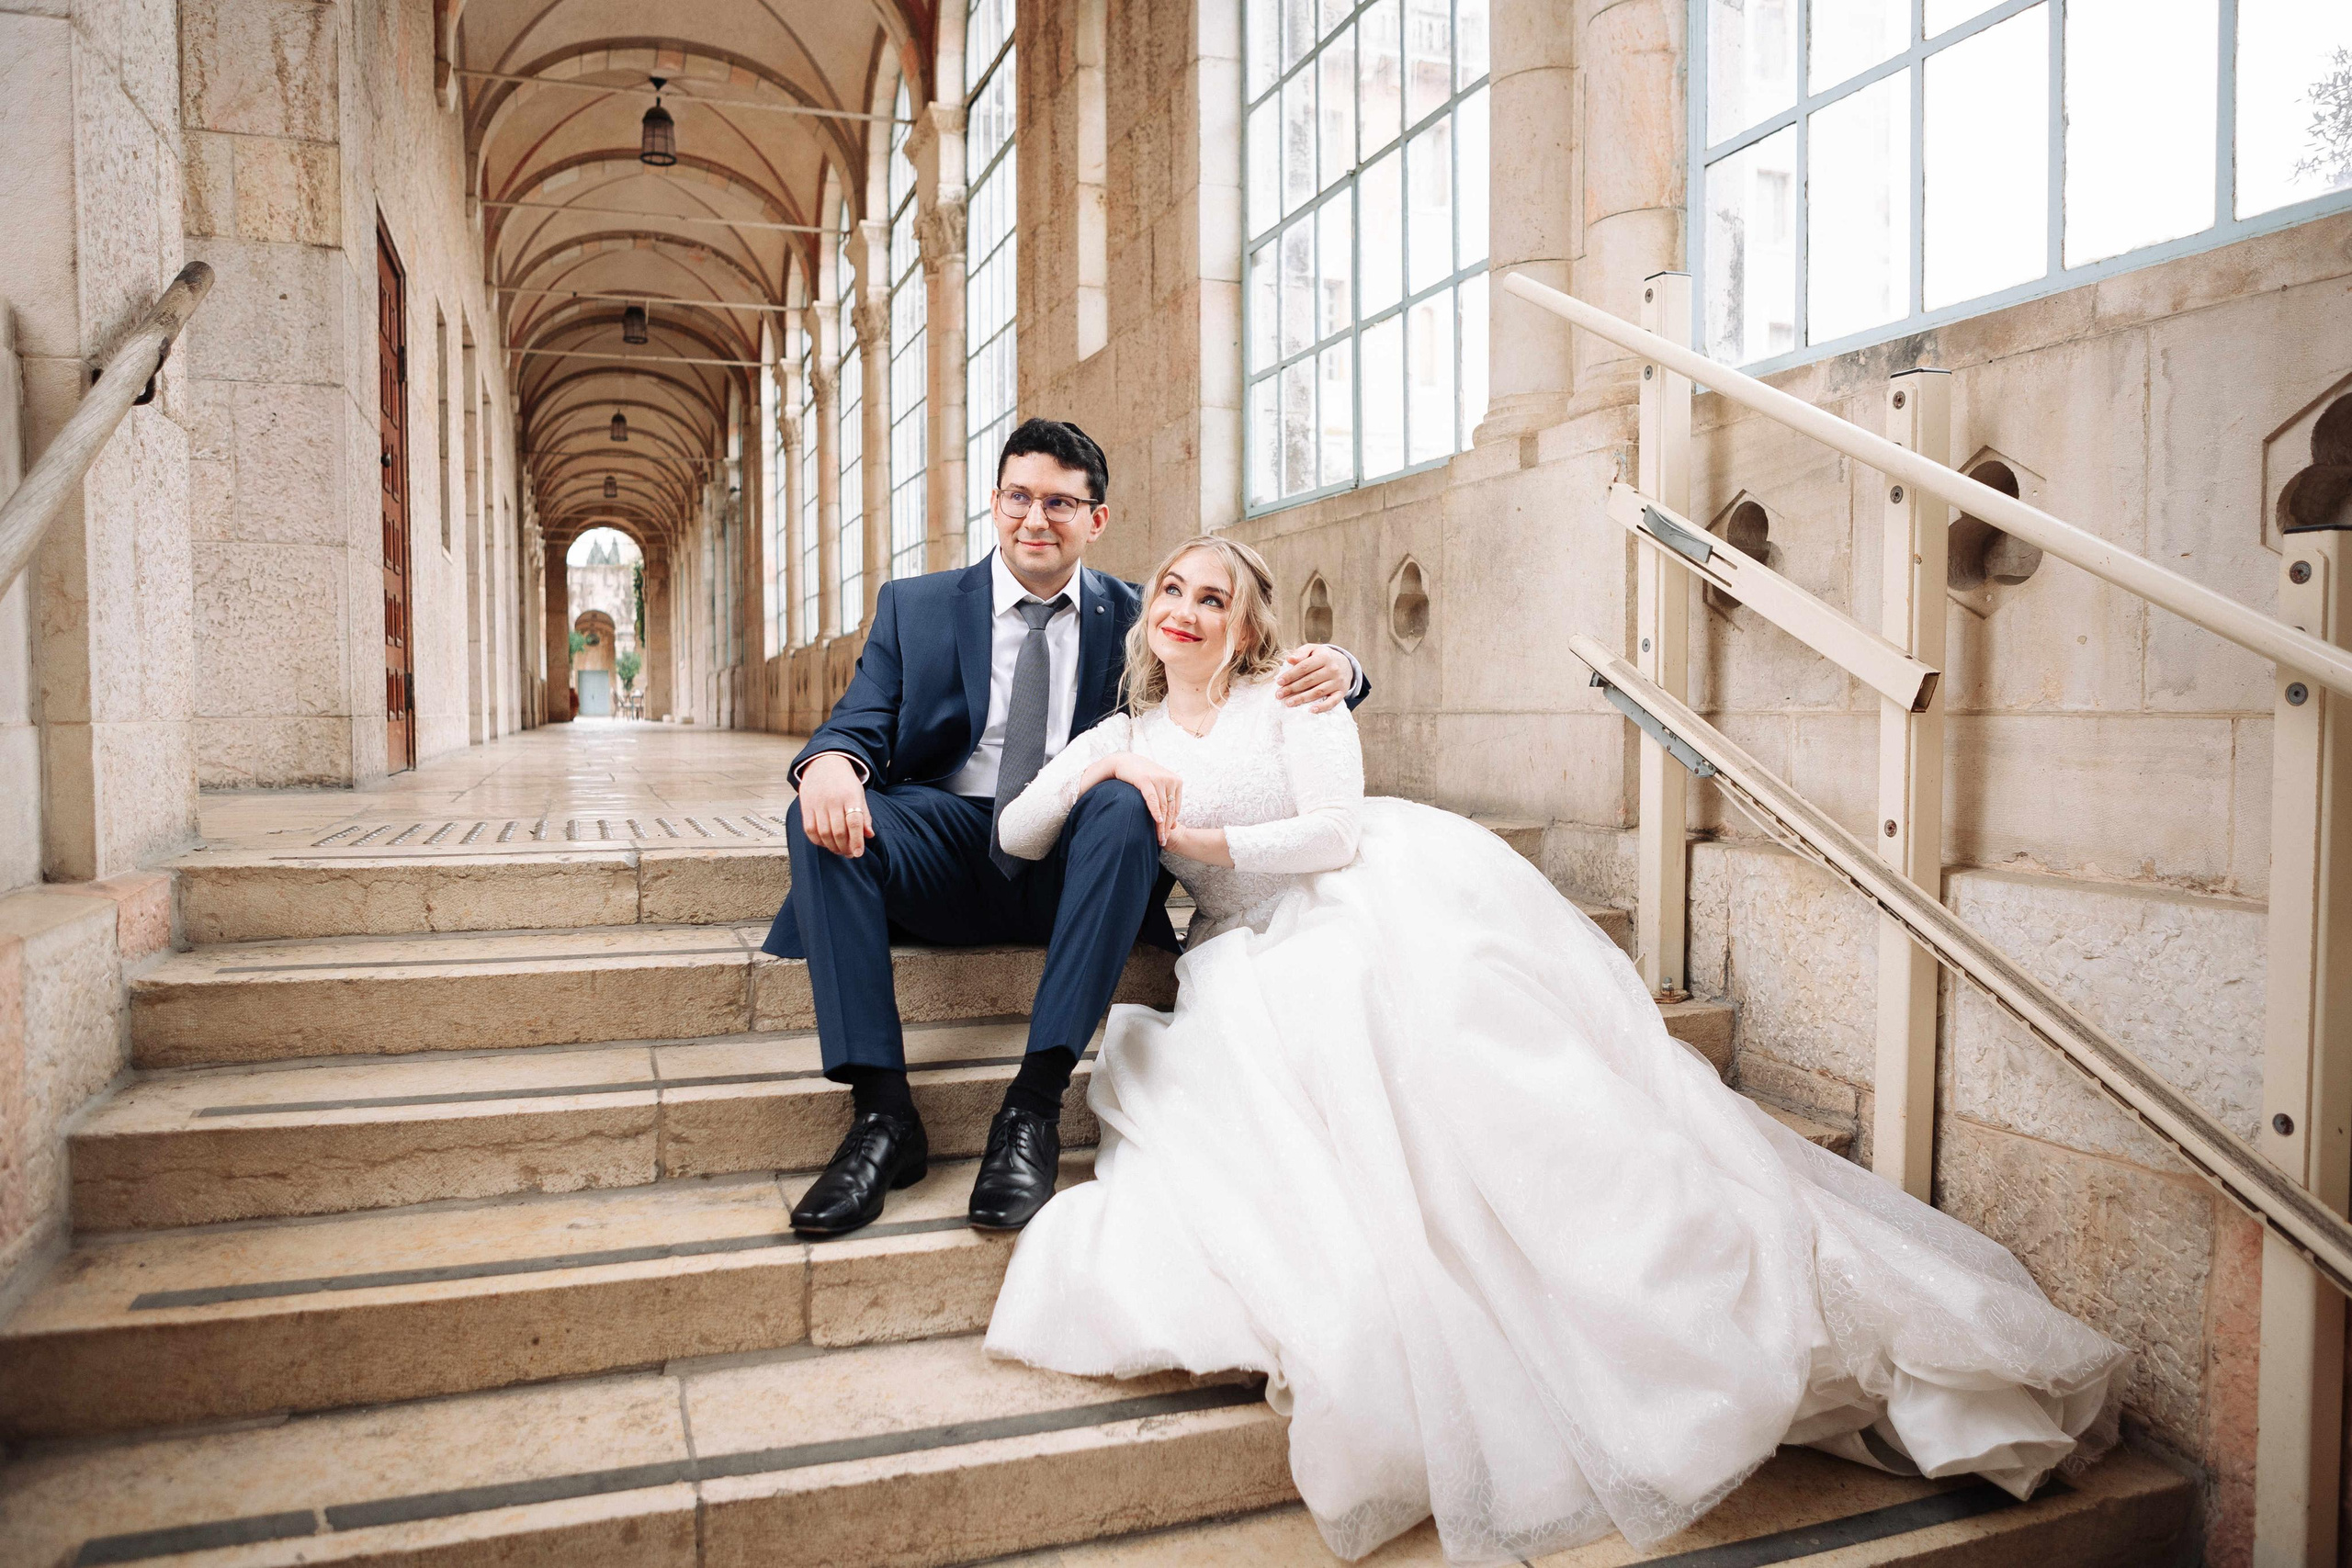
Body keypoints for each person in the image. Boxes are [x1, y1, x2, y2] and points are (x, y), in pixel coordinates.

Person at [984, 535, 2131, 1565]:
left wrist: (1201, 832)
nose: (1185, 608)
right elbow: (1015, 826)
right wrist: (1114, 767)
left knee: (1462, 1046)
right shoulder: (1122, 731)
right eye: (1172, 591)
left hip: (1347, 900)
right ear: (1149, 619)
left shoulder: (1295, 690)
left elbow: (1333, 830)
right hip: (1238, 948)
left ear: (1248, 624)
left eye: (1213, 596)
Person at [763, 420, 1370, 1238]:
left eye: (1059, 501)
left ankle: (1033, 1107)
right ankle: (882, 1115)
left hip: (1076, 864)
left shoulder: (1147, 612)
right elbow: (859, 719)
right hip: (950, 841)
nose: (1035, 519)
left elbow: (1252, 678)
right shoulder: (916, 607)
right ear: (994, 502)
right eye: (1019, 497)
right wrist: (829, 759)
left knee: (1123, 803)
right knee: (822, 812)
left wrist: (1347, 669)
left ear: (1097, 518)